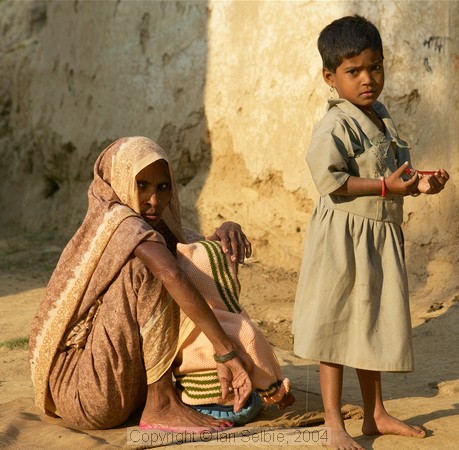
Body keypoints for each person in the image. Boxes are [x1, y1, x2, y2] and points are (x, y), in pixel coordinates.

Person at [29, 136, 293, 431]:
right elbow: (172, 274)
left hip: (124, 388)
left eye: (163, 187)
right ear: (120, 181)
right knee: (149, 269)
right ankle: (162, 403)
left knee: (180, 262)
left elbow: (193, 258)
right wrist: (226, 351)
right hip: (86, 390)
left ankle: (172, 395)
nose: (154, 200)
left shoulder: (157, 228)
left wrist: (224, 235)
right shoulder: (120, 222)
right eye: (141, 186)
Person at [292, 15, 449, 450]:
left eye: (375, 67)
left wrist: (418, 183)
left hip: (377, 238)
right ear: (330, 77)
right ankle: (331, 421)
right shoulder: (335, 125)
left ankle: (375, 414)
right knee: (336, 325)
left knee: (369, 322)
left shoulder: (380, 115)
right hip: (342, 241)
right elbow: (332, 180)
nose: (367, 80)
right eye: (353, 71)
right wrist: (385, 186)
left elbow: (391, 169)